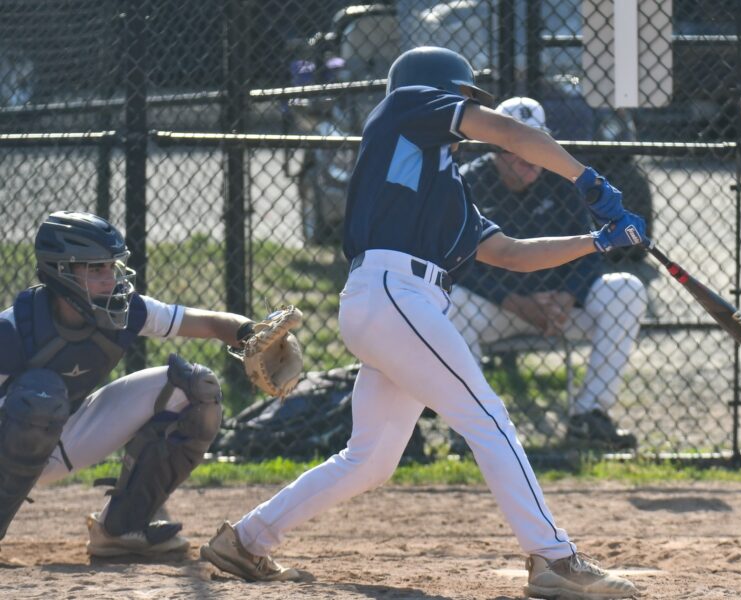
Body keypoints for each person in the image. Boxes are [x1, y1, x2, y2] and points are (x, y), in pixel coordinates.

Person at [201, 46, 645, 599]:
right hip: (394, 293)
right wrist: (587, 178)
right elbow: (507, 132)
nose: (469, 112)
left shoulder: (445, 187)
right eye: (464, 99)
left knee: (370, 460)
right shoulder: (406, 106)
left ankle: (245, 540)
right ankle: (554, 557)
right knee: (488, 418)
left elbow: (511, 253)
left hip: (398, 307)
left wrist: (596, 242)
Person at [0, 211, 256, 557]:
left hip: (64, 435)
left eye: (112, 266)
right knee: (39, 397)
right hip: (12, 436)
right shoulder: (14, 330)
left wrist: (254, 334)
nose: (110, 279)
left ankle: (120, 528)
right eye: (96, 269)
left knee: (196, 388)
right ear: (61, 272)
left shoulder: (125, 310)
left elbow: (210, 323)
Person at [449, 96, 647, 451]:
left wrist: (567, 296)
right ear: (495, 148)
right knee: (452, 302)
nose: (527, 158)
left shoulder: (561, 181)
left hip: (559, 310)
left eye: (535, 142)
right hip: (497, 310)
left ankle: (589, 416)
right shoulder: (468, 183)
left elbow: (589, 257)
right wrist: (513, 301)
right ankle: (471, 425)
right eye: (515, 147)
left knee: (626, 290)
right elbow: (457, 265)